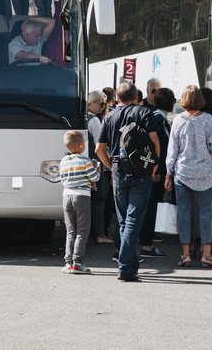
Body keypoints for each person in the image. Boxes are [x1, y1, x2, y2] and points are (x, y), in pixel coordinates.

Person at [96, 82, 160, 282]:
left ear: (116, 98)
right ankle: (125, 267)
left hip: (118, 170)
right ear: (135, 97)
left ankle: (130, 265)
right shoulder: (144, 113)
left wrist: (110, 167)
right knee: (132, 221)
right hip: (141, 170)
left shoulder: (109, 116)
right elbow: (155, 141)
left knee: (124, 221)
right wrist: (153, 167)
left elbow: (99, 149)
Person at [165, 85, 212, 267]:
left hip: (182, 173)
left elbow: (172, 150)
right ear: (200, 100)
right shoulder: (208, 120)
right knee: (206, 213)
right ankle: (206, 254)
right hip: (205, 173)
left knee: (184, 213)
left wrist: (168, 173)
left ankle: (185, 254)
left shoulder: (178, 121)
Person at [138, 87, 176, 258]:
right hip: (156, 172)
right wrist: (157, 170)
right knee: (151, 207)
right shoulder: (159, 119)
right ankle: (146, 246)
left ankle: (145, 242)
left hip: (154, 170)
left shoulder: (156, 116)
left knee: (149, 207)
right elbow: (158, 147)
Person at [59, 130, 100, 274]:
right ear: (81, 145)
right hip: (81, 196)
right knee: (82, 231)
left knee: (70, 231)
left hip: (66, 196)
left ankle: (68, 263)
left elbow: (62, 179)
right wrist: (97, 169)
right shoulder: (85, 160)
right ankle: (78, 263)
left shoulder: (63, 161)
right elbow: (94, 177)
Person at [87, 91, 113, 244]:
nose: (103, 107)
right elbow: (100, 144)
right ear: (92, 103)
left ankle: (90, 232)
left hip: (84, 164)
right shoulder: (94, 121)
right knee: (100, 199)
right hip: (96, 164)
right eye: (101, 103)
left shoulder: (82, 117)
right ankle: (100, 233)